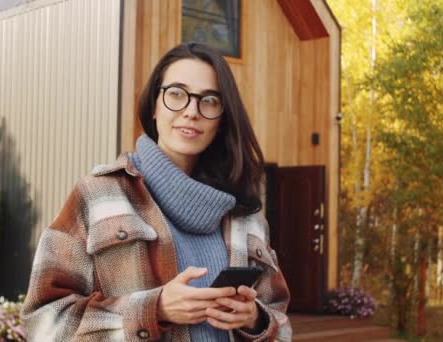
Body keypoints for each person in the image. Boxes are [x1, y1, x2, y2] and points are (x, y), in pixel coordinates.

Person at [21, 42, 291, 341]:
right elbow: (42, 325)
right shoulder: (98, 195)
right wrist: (154, 309)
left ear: (223, 118)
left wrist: (255, 320)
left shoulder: (246, 216)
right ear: (153, 105)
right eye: (176, 94)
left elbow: (282, 325)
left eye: (210, 100)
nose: (191, 111)